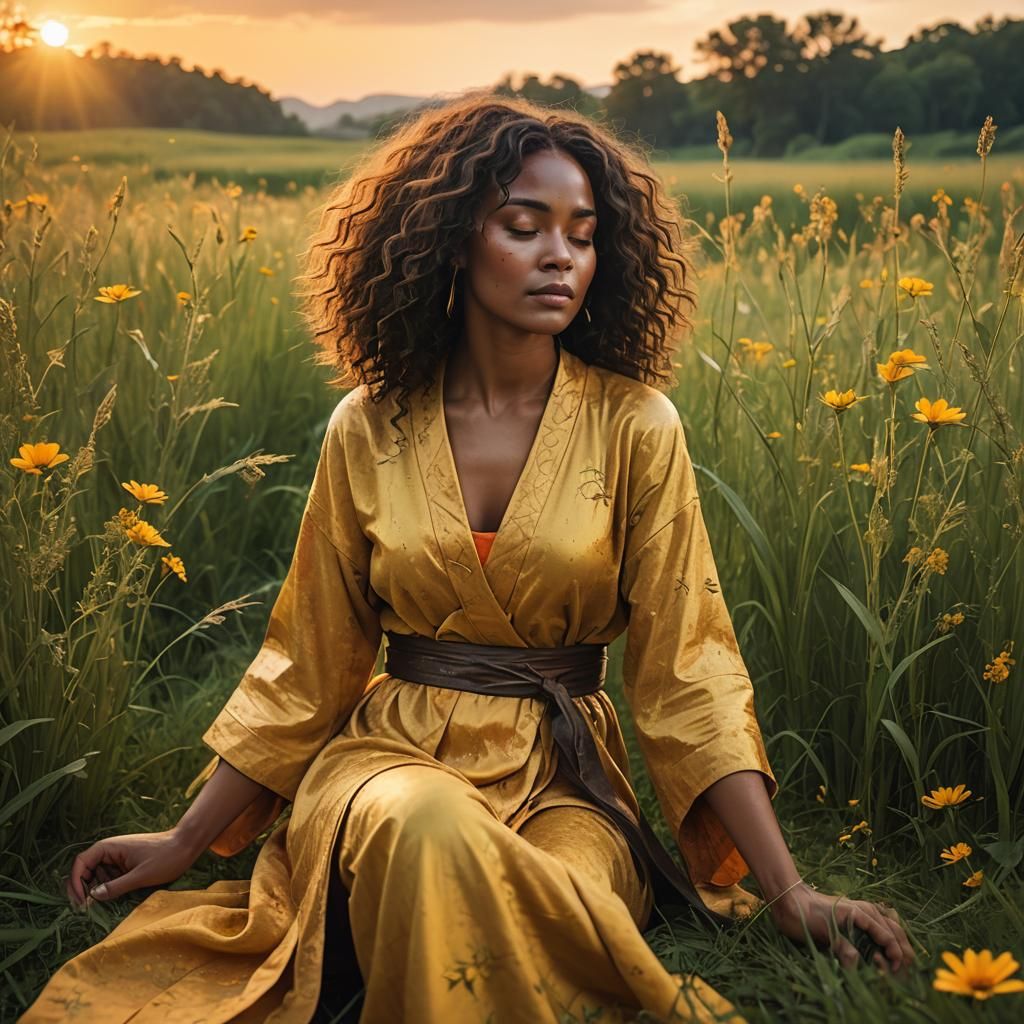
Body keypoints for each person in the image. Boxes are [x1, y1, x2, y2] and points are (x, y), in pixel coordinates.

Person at [19, 93, 913, 1024]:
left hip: (564, 779)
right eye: (524, 227)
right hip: (392, 760)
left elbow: (692, 673)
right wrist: (184, 839)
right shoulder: (369, 424)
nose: (560, 255)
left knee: (570, 892)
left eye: (582, 232)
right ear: (451, 240)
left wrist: (788, 889)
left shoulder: (636, 425)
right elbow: (307, 666)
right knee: (426, 826)